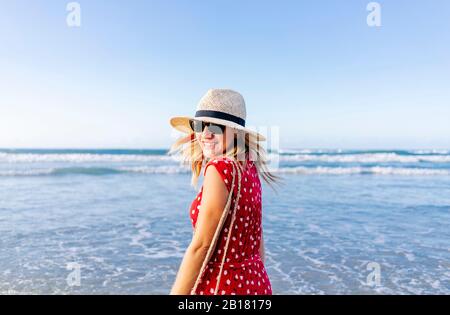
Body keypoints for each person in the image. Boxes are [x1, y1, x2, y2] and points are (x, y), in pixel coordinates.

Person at [168, 88, 279, 295]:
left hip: (222, 287)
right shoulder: (249, 165)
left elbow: (201, 246)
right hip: (256, 283)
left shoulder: (220, 169)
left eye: (216, 127)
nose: (206, 134)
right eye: (199, 125)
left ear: (236, 131)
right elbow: (258, 237)